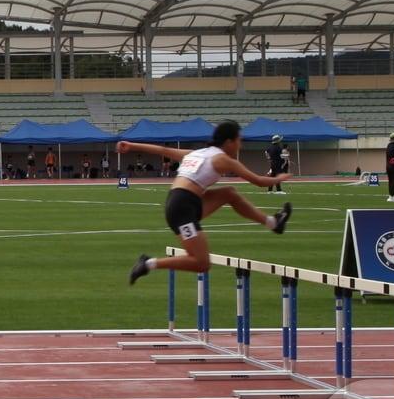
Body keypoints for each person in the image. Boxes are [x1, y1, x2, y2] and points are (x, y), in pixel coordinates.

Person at [121, 120, 293, 285]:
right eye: (239, 141)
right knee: (202, 263)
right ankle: (148, 263)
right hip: (182, 209)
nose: (241, 146)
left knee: (229, 193)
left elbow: (162, 150)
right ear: (229, 142)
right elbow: (258, 181)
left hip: (186, 203)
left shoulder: (197, 153)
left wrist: (132, 145)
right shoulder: (222, 159)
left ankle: (274, 223)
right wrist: (280, 177)